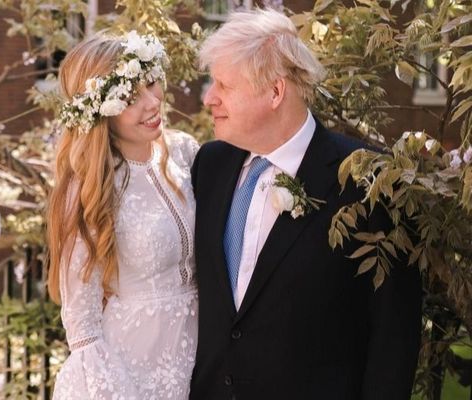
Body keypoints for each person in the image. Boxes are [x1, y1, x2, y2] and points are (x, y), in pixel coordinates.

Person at [190, 9, 422, 400]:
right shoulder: (209, 165)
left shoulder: (369, 181)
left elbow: (393, 337)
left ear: (275, 92)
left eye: (224, 85)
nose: (209, 98)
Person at [47, 31, 199, 400]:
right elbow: (83, 325)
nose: (152, 102)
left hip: (203, 354)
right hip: (132, 370)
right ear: (101, 111)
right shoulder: (88, 188)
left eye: (150, 83)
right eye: (131, 97)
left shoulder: (185, 152)